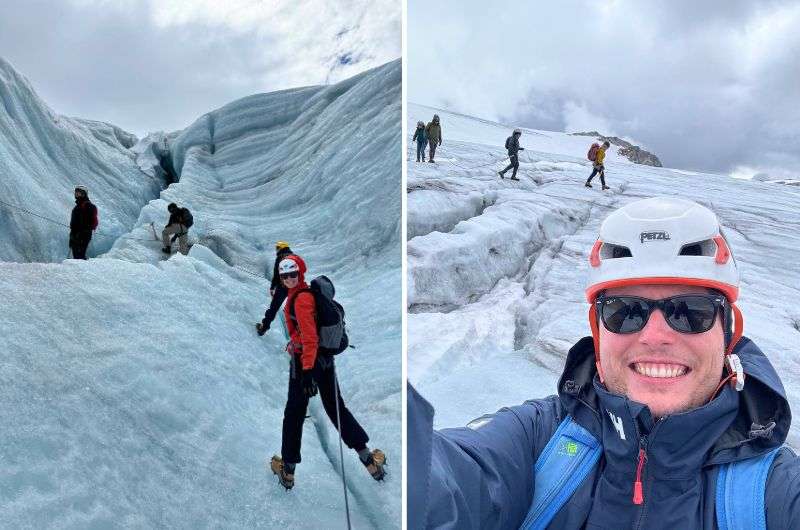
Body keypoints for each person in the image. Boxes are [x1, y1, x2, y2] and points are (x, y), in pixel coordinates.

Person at [408, 197, 800, 529]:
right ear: (598, 331)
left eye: (690, 311)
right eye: (625, 311)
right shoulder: (537, 441)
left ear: (729, 331)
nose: (655, 336)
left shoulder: (774, 492)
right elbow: (436, 480)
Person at [270, 255, 386, 489]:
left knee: (294, 413)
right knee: (336, 408)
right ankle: (369, 461)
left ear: (300, 273)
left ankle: (288, 471)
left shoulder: (301, 300)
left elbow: (311, 339)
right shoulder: (305, 295)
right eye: (285, 276)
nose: (289, 279)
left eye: (293, 274)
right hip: (325, 362)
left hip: (306, 364)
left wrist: (307, 372)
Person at [255, 241, 294, 335]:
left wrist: (272, 287)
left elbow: (276, 276)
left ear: (280, 248)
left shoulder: (280, 258)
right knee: (294, 310)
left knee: (273, 308)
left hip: (283, 287)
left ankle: (263, 328)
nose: (277, 250)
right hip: (295, 287)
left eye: (277, 248)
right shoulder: (294, 258)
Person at [69, 185, 97, 260]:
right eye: (76, 193)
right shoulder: (78, 206)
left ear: (84, 194)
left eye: (79, 193)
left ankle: (82, 270)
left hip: (83, 234)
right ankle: (81, 270)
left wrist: (82, 232)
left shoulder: (88, 205)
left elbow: (90, 221)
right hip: (77, 234)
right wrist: (73, 235)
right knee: (78, 255)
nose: (76, 194)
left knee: (79, 255)